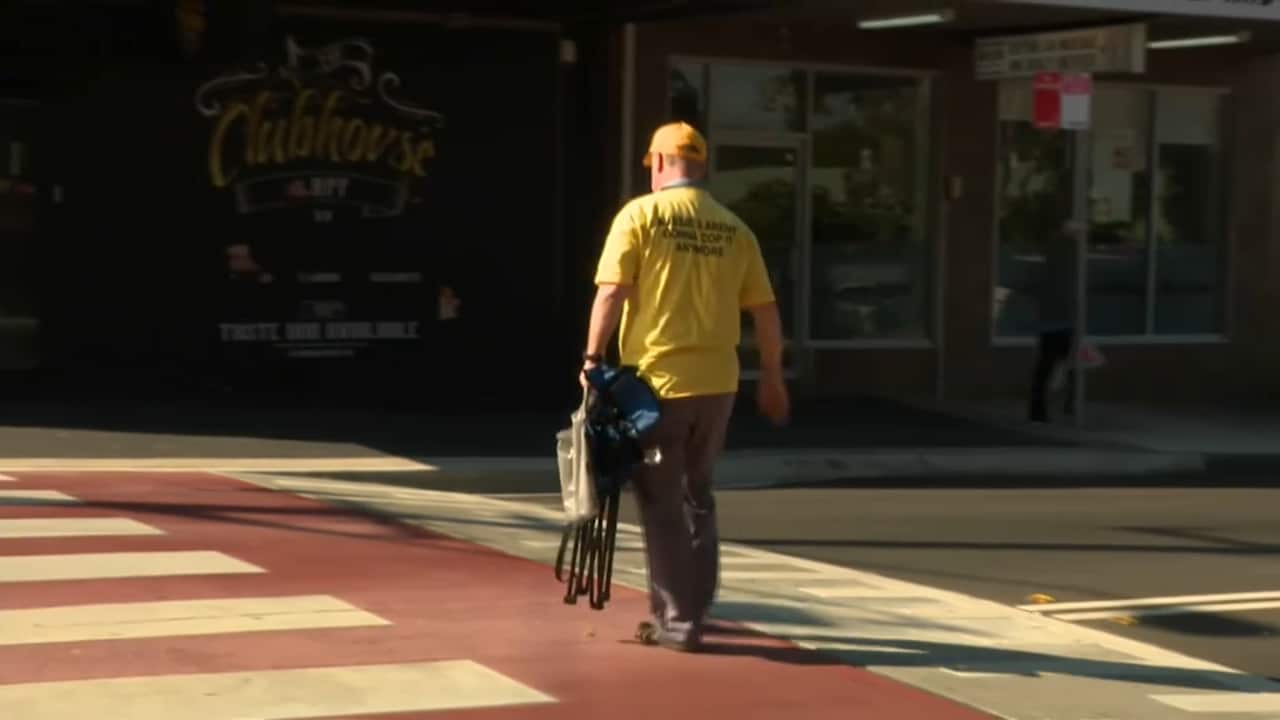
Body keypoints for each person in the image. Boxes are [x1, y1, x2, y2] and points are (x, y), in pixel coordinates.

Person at [580, 121, 790, 652]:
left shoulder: (640, 216)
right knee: (699, 491)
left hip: (657, 385)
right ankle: (696, 602)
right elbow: (765, 311)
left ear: (656, 163)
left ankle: (679, 622)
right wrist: (771, 376)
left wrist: (591, 359)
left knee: (660, 499)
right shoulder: (734, 228)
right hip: (718, 385)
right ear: (701, 168)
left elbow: (611, 293)